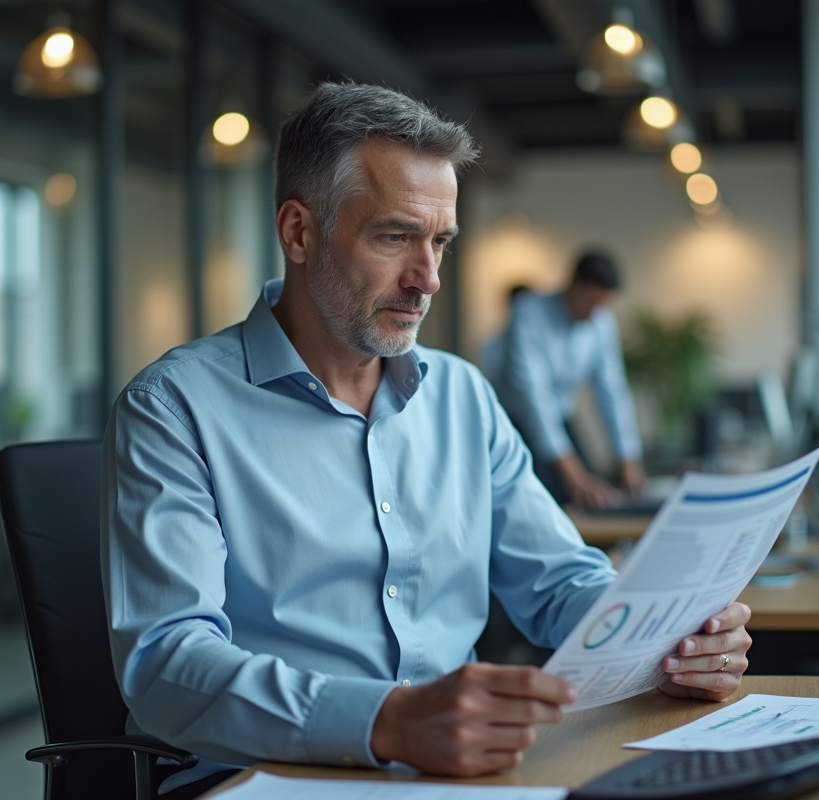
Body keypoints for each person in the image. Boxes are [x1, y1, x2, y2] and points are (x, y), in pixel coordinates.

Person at [103, 82, 752, 798]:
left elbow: (561, 581)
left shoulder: (464, 398)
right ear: (298, 232)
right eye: (394, 237)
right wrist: (389, 720)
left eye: (440, 242)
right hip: (263, 779)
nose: (429, 279)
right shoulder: (174, 409)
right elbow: (165, 666)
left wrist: (670, 637)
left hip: (464, 775)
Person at [492, 254, 645, 509]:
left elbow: (612, 391)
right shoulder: (528, 312)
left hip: (561, 416)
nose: (593, 314)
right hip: (517, 421)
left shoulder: (601, 322)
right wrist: (574, 475)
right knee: (541, 500)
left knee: (592, 496)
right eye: (591, 303)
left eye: (602, 305)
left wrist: (627, 459)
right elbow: (534, 398)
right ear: (573, 284)